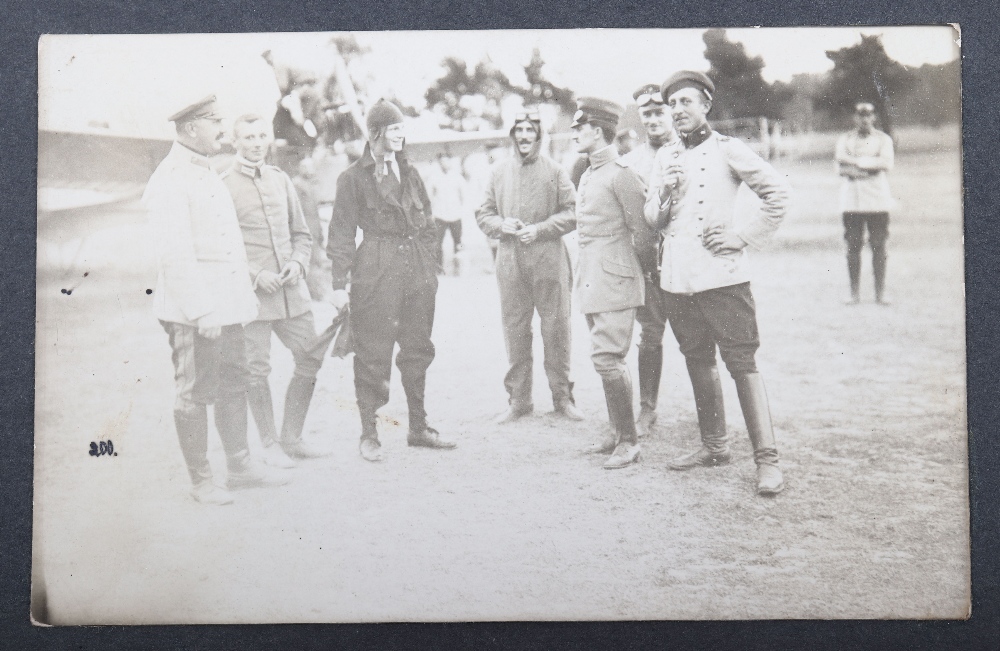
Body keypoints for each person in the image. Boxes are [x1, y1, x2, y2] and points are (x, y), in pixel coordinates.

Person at [645, 71, 791, 495]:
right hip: (678, 278)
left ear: (706, 105)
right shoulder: (664, 157)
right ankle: (714, 445)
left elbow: (778, 193)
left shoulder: (729, 149)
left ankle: (767, 461)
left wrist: (741, 236)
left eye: (686, 102)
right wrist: (667, 192)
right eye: (672, 105)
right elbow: (652, 219)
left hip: (723, 279)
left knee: (741, 363)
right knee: (696, 358)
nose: (678, 112)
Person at [143, 95, 288, 505]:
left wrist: (241, 300)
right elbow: (174, 254)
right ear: (191, 128)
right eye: (215, 123)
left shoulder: (206, 173)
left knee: (233, 384)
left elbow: (229, 245)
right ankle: (202, 482)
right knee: (194, 392)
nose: (223, 131)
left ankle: (240, 467)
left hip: (227, 308)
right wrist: (201, 310)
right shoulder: (170, 177)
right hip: (196, 313)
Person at [327, 99, 457, 462]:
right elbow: (340, 235)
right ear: (376, 133)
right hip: (376, 270)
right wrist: (340, 285)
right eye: (394, 128)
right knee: (372, 353)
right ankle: (369, 434)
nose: (401, 135)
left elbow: (428, 222)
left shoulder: (410, 173)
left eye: (402, 128)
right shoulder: (353, 178)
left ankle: (418, 427)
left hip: (415, 271)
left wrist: (428, 266)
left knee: (418, 348)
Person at [221, 114, 330, 466]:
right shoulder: (222, 185)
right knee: (255, 370)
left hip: (291, 293)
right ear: (234, 142)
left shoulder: (280, 180)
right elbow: (220, 244)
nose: (255, 143)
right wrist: (254, 275)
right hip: (251, 298)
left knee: (310, 355)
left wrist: (298, 263)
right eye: (248, 136)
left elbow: (302, 235)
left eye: (261, 135)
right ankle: (269, 444)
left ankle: (292, 437)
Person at [475, 109, 583, 424]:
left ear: (538, 134)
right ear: (512, 135)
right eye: (518, 129)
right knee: (515, 329)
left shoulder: (556, 171)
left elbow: (572, 212)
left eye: (529, 130)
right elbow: (483, 214)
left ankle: (562, 398)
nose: (524, 136)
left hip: (549, 259)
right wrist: (501, 225)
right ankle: (519, 400)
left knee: (556, 329)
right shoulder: (498, 173)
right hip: (510, 262)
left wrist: (540, 229)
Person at [571, 97, 655, 470]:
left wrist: (641, 274)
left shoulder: (621, 173)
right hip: (592, 278)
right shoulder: (589, 172)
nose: (575, 132)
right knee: (604, 357)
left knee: (608, 358)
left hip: (617, 278)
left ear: (598, 129)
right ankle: (615, 431)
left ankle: (629, 441)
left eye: (580, 126)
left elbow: (643, 232)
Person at [619, 83, 680, 437]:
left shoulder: (689, 151)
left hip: (686, 260)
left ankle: (709, 411)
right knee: (651, 335)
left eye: (660, 111)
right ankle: (647, 408)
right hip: (649, 263)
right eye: (648, 114)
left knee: (696, 338)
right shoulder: (630, 163)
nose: (654, 119)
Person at [835, 101, 895, 305]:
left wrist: (856, 163)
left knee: (879, 246)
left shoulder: (883, 139)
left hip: (877, 200)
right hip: (852, 201)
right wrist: (869, 164)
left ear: (874, 117)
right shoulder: (845, 139)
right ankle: (854, 294)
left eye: (868, 115)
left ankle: (880, 294)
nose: (864, 119)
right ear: (855, 118)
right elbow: (840, 166)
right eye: (860, 115)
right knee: (853, 246)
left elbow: (885, 163)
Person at [292, 157, 334, 301]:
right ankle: (315, 293)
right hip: (305, 230)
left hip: (314, 229)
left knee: (316, 261)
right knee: (310, 262)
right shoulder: (297, 185)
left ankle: (315, 292)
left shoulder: (311, 185)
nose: (310, 170)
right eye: (306, 167)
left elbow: (314, 211)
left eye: (311, 167)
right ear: (300, 168)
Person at [428, 154, 466, 275]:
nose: (445, 164)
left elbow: (464, 195)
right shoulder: (434, 177)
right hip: (440, 215)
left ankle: (458, 267)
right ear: (439, 163)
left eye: (447, 161)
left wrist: (461, 210)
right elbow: (429, 195)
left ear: (450, 162)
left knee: (458, 242)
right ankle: (439, 268)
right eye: (442, 161)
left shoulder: (457, 177)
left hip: (455, 214)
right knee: (437, 242)